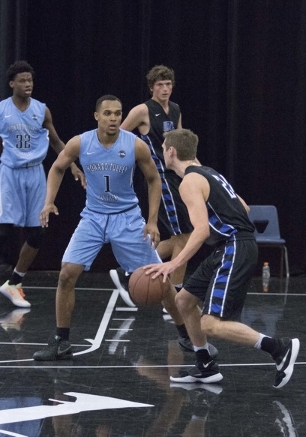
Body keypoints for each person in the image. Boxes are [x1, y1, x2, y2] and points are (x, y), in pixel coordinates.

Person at [31, 95, 217, 361]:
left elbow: (154, 179)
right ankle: (61, 341)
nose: (114, 118)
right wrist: (48, 202)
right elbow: (58, 168)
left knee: (162, 283)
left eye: (118, 113)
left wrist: (152, 220)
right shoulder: (81, 142)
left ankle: (188, 337)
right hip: (93, 217)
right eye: (107, 113)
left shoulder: (135, 145)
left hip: (127, 218)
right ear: (97, 116)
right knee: (66, 275)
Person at [144, 129, 300, 389]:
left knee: (211, 324)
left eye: (163, 148)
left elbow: (201, 230)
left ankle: (278, 348)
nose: (162, 152)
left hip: (233, 246)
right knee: (183, 300)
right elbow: (244, 207)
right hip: (230, 245)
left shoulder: (188, 182)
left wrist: (173, 262)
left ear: (171, 151)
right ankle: (205, 366)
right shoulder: (210, 173)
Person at [0, 60, 85, 308]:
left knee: (38, 231)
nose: (28, 84)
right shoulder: (3, 110)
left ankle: (14, 283)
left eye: (31, 80)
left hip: (35, 173)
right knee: (3, 230)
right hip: (10, 172)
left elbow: (57, 143)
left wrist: (72, 166)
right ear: (12, 83)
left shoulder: (41, 110)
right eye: (23, 81)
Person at [110, 65, 193, 298]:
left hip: (176, 176)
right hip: (159, 178)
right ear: (151, 88)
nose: (165, 88)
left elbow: (182, 145)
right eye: (160, 85)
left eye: (168, 84)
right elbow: (118, 136)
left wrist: (196, 169)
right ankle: (176, 293)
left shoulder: (175, 109)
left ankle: (129, 270)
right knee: (185, 237)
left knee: (181, 237)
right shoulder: (142, 110)